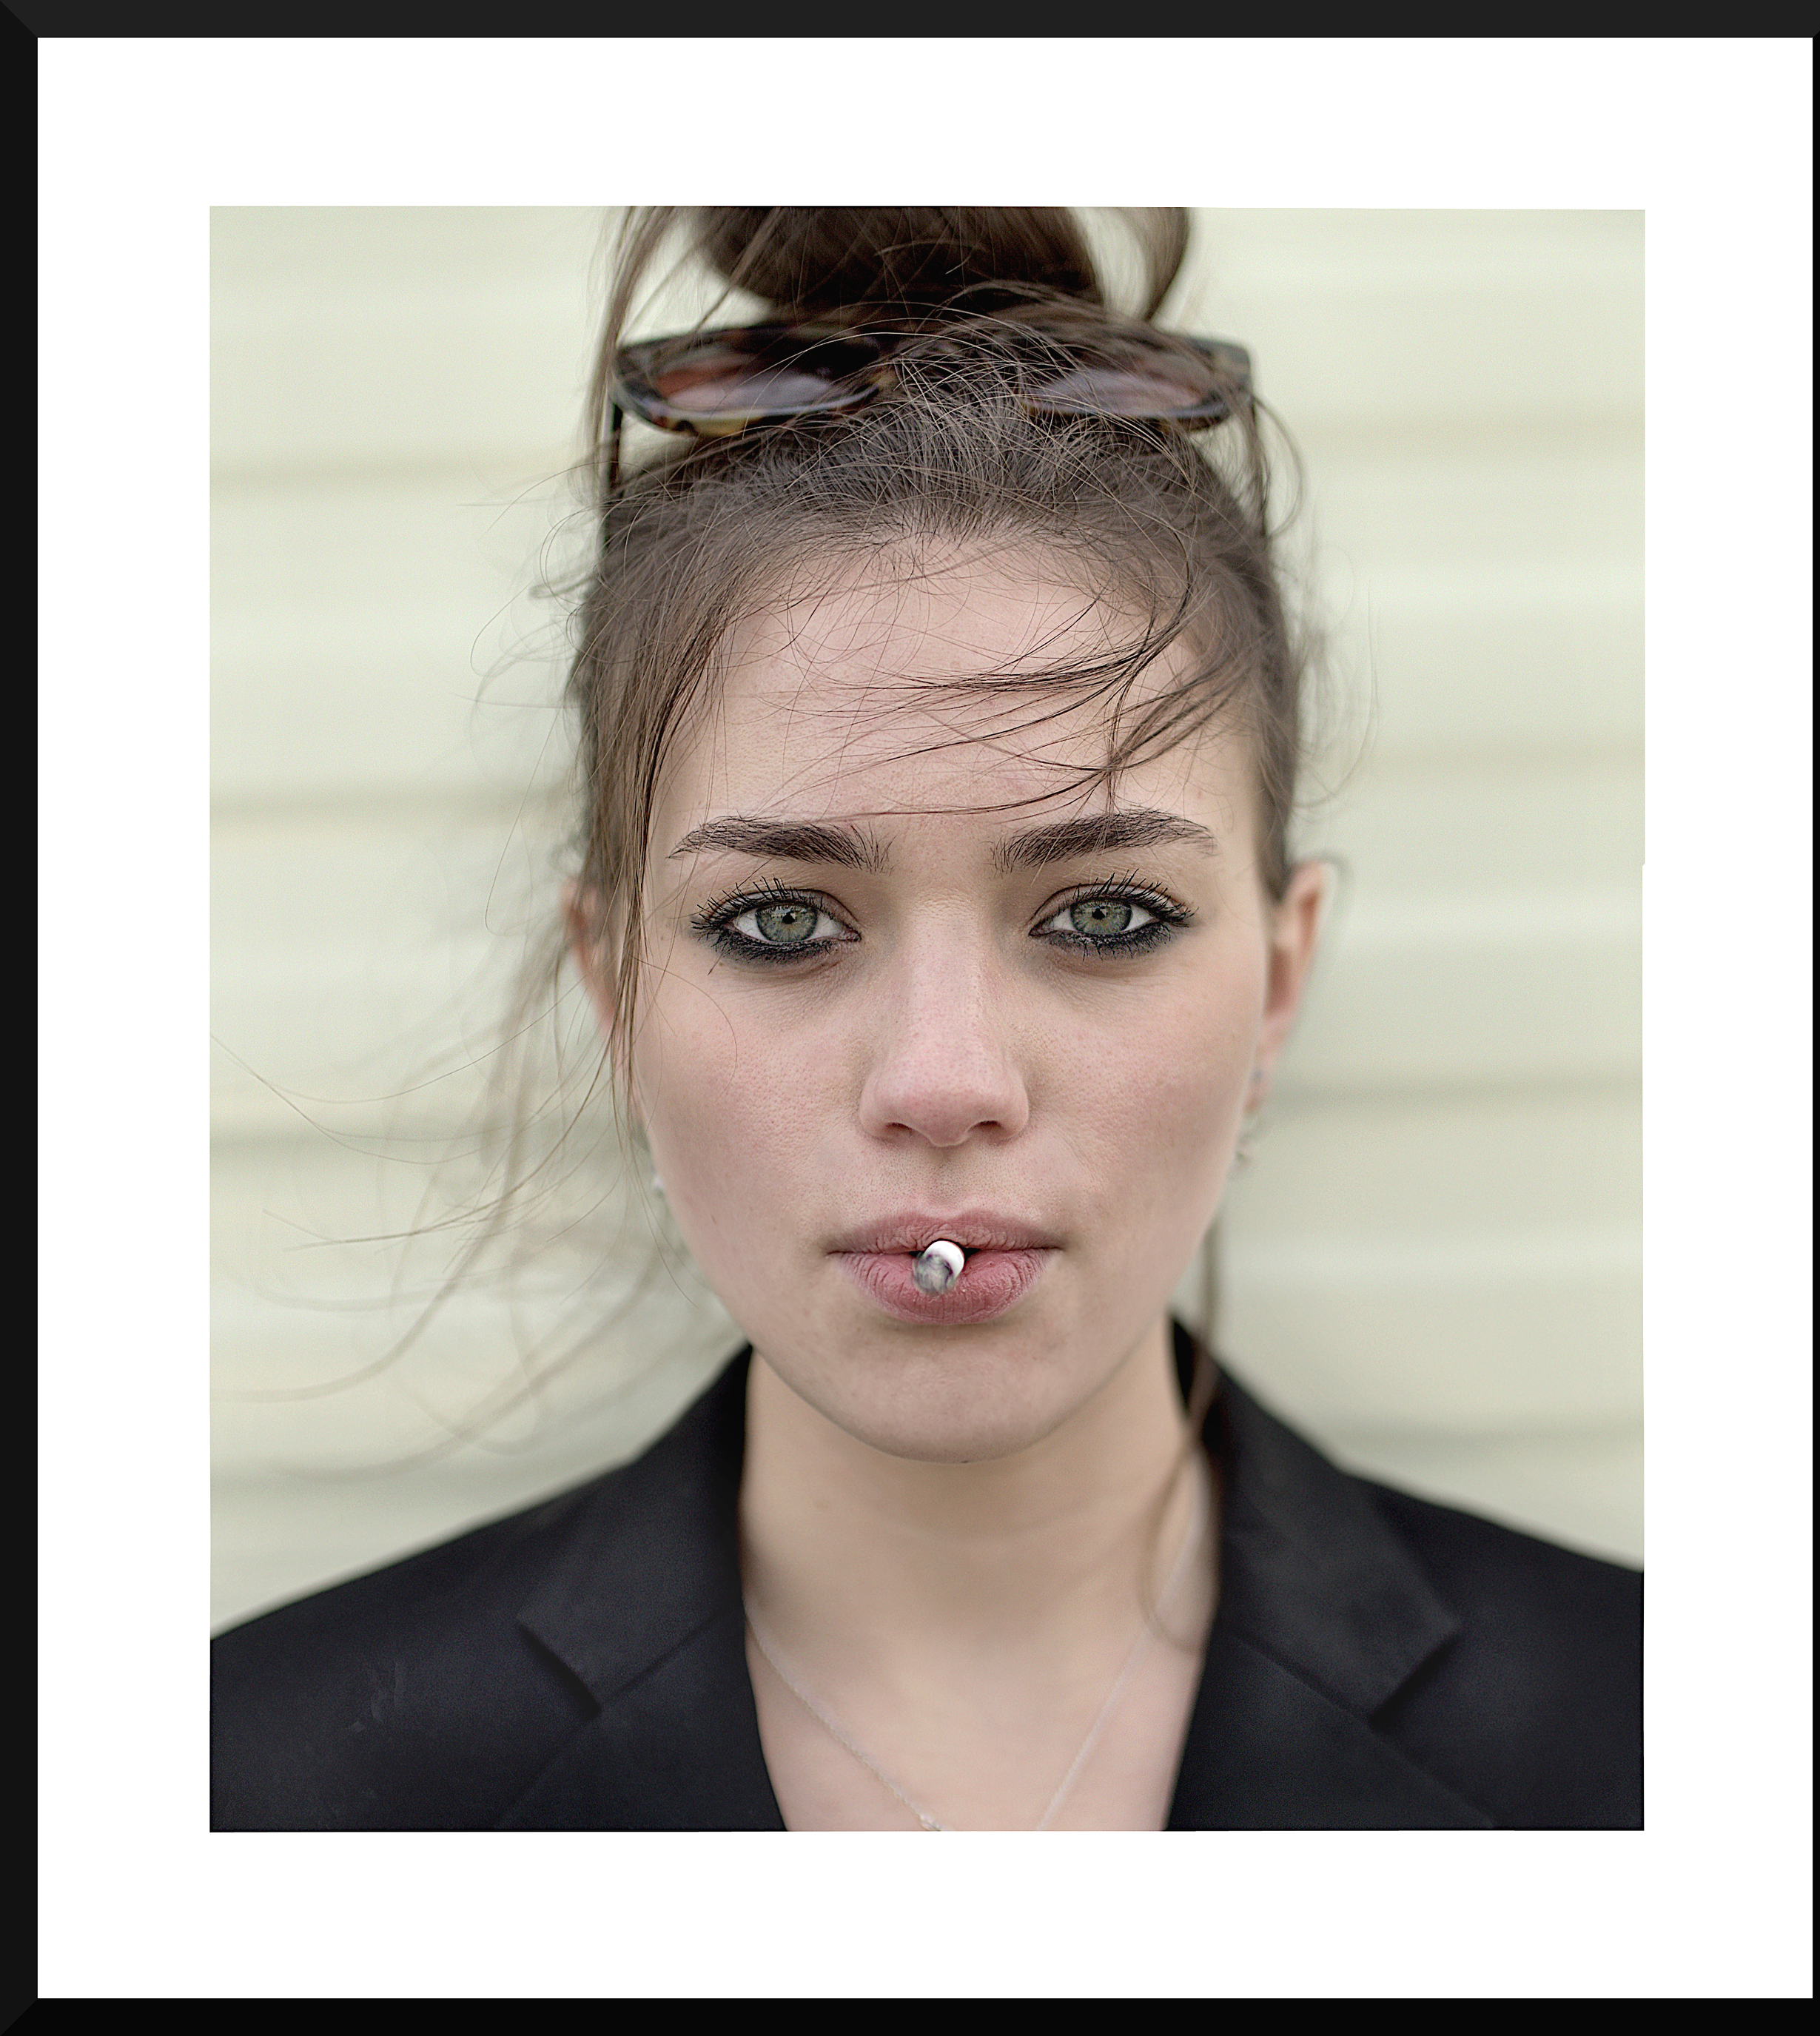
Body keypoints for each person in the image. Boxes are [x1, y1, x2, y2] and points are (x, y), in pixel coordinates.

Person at [210, 207, 1642, 1831]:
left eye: (1105, 915)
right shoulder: (248, 1792)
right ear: (613, 990)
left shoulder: (1675, 1754)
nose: (942, 1082)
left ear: (1280, 977)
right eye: (778, 923)